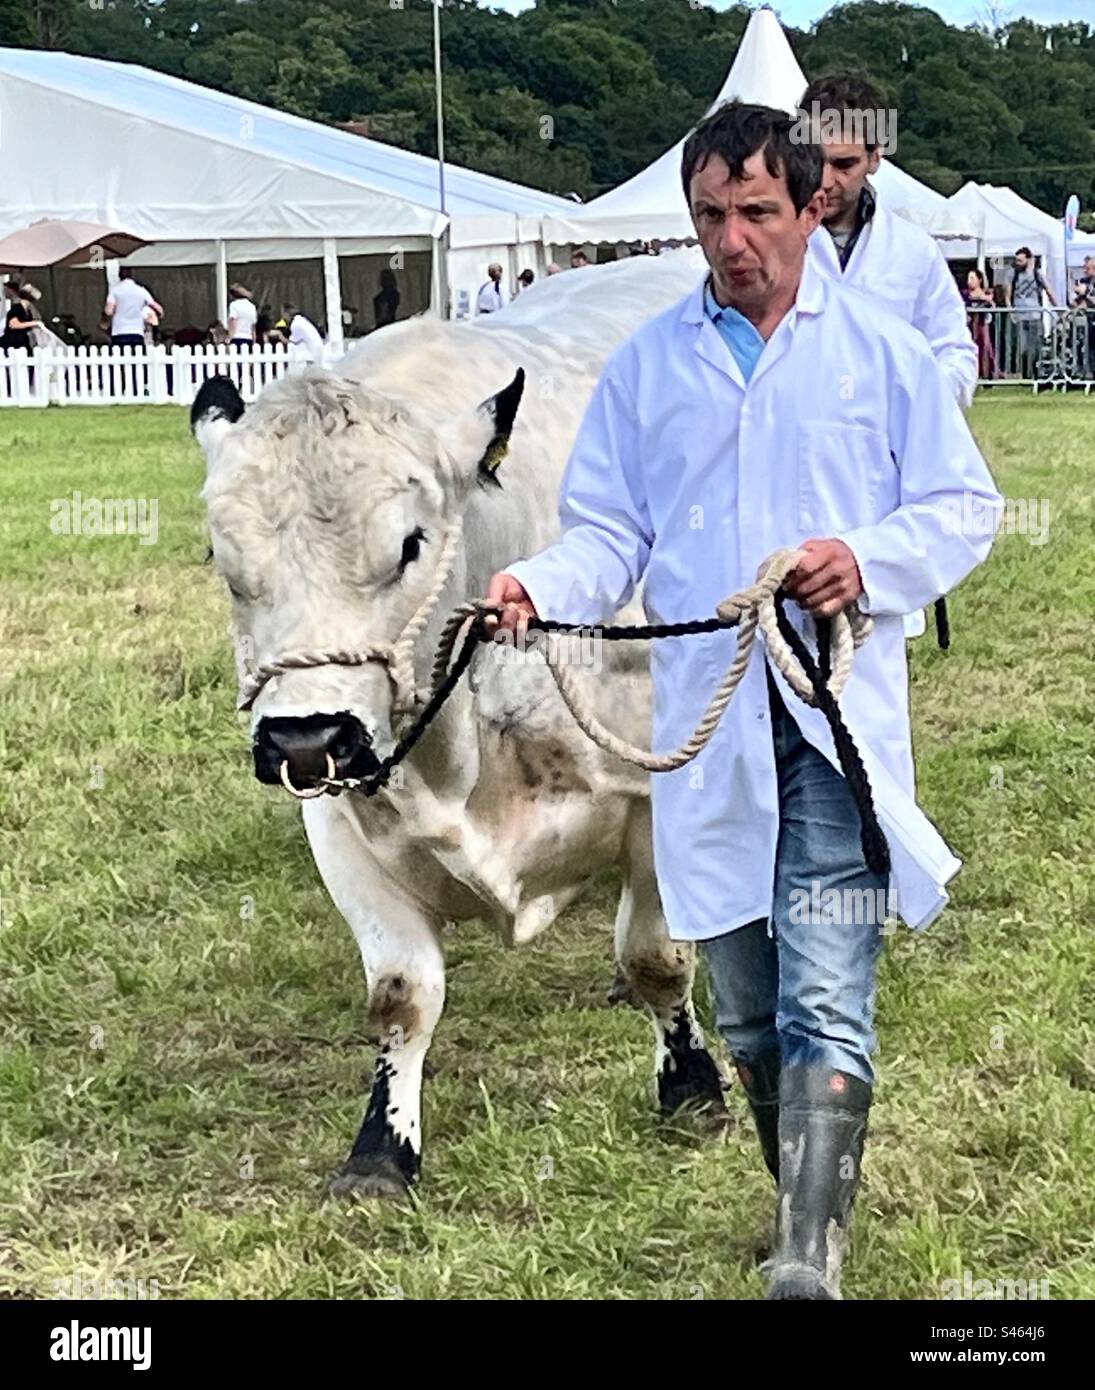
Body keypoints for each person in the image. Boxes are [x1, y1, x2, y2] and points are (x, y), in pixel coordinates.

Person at [484, 102, 1001, 1300]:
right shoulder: (649, 365)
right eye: (711, 215)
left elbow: (961, 507)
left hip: (830, 713)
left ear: (811, 206)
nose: (733, 240)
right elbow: (607, 534)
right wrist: (533, 582)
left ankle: (806, 1257)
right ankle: (801, 1196)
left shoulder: (876, 351)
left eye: (758, 211)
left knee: (827, 984)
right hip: (709, 723)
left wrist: (862, 560)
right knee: (752, 1006)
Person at [802, 73, 976, 411]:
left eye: (844, 164)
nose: (825, 179)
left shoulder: (914, 250)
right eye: (815, 160)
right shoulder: (771, 245)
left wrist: (911, 406)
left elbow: (953, 352)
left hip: (890, 450)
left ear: (875, 157)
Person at [1004, 246, 1055, 378]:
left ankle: (1035, 374)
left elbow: (1048, 290)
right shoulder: (1012, 274)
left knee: (1036, 347)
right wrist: (1010, 311)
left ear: (1028, 259)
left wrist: (1059, 308)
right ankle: (1026, 374)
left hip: (1035, 315)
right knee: (1023, 348)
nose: (1018, 263)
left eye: (1020, 260)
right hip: (1020, 316)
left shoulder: (1037, 274)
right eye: (1016, 260)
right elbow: (1007, 294)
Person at [104, 267, 163, 348]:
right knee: (136, 358)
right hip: (137, 332)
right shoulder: (141, 290)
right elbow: (157, 308)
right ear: (132, 275)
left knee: (119, 358)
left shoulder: (115, 290)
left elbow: (109, 311)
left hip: (119, 331)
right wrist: (160, 315)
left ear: (119, 275)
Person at [963, 268, 997, 380]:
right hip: (969, 326)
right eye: (968, 278)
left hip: (983, 324)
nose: (969, 281)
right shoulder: (965, 294)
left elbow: (993, 306)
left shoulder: (986, 294)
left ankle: (987, 375)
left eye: (972, 278)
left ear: (979, 280)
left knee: (985, 348)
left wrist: (987, 299)